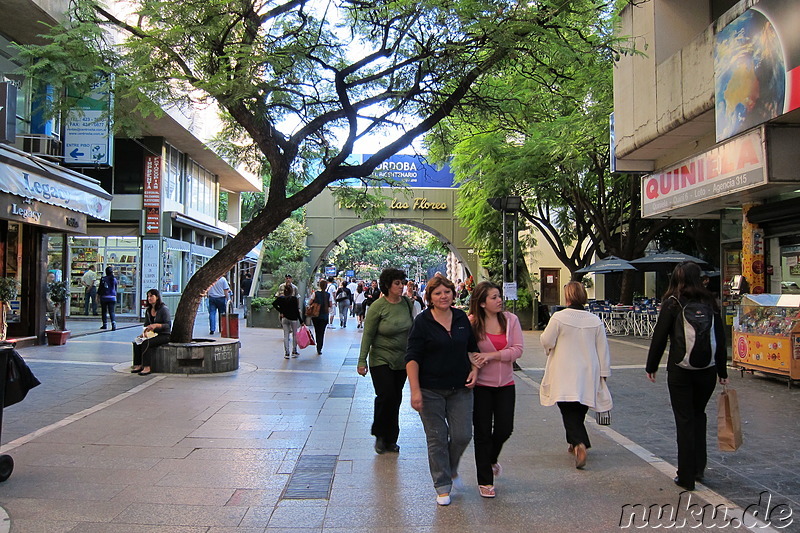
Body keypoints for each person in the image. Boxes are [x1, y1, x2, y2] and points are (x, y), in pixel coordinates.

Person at [646, 261, 728, 491]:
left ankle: (686, 476)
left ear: (676, 279)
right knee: (699, 415)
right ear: (698, 278)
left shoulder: (672, 303)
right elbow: (720, 340)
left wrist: (651, 365)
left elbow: (660, 337)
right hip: (707, 371)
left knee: (684, 420)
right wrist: (722, 370)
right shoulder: (710, 302)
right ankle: (698, 468)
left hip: (680, 370)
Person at [406, 275, 479, 506]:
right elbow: (412, 357)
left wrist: (475, 369)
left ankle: (451, 467)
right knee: (436, 438)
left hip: (461, 388)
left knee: (462, 434)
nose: (443, 296)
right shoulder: (423, 321)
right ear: (430, 297)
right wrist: (414, 390)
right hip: (430, 389)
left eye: (447, 292)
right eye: (437, 293)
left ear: (453, 294)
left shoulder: (460, 318)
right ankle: (442, 485)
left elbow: (472, 348)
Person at [539, 281, 612, 470]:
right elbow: (602, 349)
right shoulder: (594, 320)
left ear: (568, 296)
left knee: (567, 409)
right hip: (588, 371)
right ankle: (573, 443)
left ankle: (580, 443)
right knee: (578, 409)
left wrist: (550, 348)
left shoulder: (559, 317)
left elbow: (546, 340)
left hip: (564, 370)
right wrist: (603, 374)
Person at [468, 281, 523, 498]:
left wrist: (492, 356)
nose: (499, 300)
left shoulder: (511, 320)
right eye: (493, 297)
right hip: (481, 386)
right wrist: (475, 363)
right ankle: (485, 481)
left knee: (504, 429)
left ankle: (491, 458)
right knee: (482, 433)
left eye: (499, 296)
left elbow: (517, 350)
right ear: (481, 303)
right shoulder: (472, 323)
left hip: (506, 385)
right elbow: (468, 351)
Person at [358, 268, 416, 455]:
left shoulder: (407, 304)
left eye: (402, 282)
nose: (401, 286)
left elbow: (413, 330)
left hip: (402, 360)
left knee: (396, 398)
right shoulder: (378, 306)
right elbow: (368, 334)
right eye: (397, 283)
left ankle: (392, 439)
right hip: (380, 358)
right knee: (386, 395)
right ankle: (380, 434)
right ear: (388, 285)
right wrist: (362, 361)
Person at [131, 289, 172, 376]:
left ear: (157, 297)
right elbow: (146, 324)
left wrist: (156, 325)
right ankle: (138, 364)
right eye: (148, 296)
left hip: (164, 335)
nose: (149, 298)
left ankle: (147, 367)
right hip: (152, 334)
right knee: (137, 341)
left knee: (146, 343)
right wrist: (144, 333)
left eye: (151, 296)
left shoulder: (164, 309)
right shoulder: (148, 311)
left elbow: (168, 325)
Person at [273, 284, 301, 358]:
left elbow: (274, 304)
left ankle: (287, 353)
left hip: (285, 318)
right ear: (291, 291)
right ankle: (294, 351)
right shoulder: (294, 299)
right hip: (293, 319)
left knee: (286, 335)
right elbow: (296, 310)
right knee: (294, 335)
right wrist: (301, 321)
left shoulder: (281, 298)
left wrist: (281, 311)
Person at [308, 279, 332, 355]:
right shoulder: (328, 295)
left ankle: (318, 344)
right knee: (322, 332)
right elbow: (330, 304)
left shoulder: (315, 293)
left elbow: (310, 302)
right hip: (324, 316)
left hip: (316, 316)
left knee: (317, 331)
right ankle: (319, 347)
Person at [98, 266, 119, 331]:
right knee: (112, 311)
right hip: (112, 297)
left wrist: (98, 296)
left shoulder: (103, 279)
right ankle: (113, 324)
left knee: (104, 311)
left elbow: (100, 288)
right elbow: (115, 288)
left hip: (104, 297)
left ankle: (105, 324)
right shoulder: (114, 279)